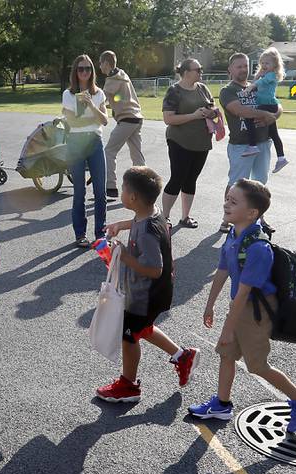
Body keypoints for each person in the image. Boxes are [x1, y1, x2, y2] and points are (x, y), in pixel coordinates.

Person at [189, 179, 296, 432]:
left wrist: (228, 328)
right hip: (239, 306)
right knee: (226, 353)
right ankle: (222, 405)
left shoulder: (258, 248)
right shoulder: (234, 233)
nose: (226, 203)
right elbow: (223, 269)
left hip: (256, 311)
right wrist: (210, 304)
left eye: (233, 201)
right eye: (227, 198)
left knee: (257, 365)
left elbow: (246, 293)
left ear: (252, 213)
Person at [96, 166, 200, 402]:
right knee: (144, 328)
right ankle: (183, 356)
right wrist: (122, 225)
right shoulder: (153, 213)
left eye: (123, 189)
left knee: (129, 336)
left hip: (145, 295)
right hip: (153, 292)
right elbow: (139, 222)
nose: (121, 193)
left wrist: (123, 255)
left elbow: (155, 268)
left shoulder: (145, 232)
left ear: (132, 197)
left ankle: (128, 386)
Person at [219, 53, 281, 234]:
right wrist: (264, 115)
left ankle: (259, 218)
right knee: (236, 183)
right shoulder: (227, 90)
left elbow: (277, 104)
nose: (243, 70)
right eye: (238, 66)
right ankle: (227, 219)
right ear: (230, 69)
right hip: (241, 144)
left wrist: (274, 116)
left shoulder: (258, 85)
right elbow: (239, 110)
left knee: (260, 183)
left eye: (245, 66)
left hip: (262, 142)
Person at [160, 58, 217, 229]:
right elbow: (168, 118)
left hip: (201, 142)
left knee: (191, 179)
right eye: (197, 69)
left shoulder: (203, 88)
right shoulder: (174, 91)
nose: (201, 72)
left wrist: (211, 112)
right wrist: (193, 115)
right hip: (179, 141)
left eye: (201, 69)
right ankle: (164, 217)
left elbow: (213, 109)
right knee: (177, 178)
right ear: (185, 72)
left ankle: (185, 217)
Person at [62, 54, 108, 247]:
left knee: (100, 191)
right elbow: (72, 121)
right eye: (81, 69)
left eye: (88, 69)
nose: (84, 72)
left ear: (92, 72)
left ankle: (100, 233)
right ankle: (80, 234)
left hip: (95, 141)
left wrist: (90, 104)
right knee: (79, 191)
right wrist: (93, 118)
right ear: (75, 71)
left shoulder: (98, 94)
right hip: (75, 143)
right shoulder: (68, 94)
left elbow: (105, 120)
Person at [99, 50, 146, 199]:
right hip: (136, 117)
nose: (100, 67)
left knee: (109, 151)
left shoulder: (111, 80)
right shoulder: (123, 75)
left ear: (106, 63)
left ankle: (110, 187)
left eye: (100, 63)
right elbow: (118, 98)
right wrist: (111, 104)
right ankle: (144, 187)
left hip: (126, 119)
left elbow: (102, 100)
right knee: (137, 155)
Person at [241, 47, 288, 173]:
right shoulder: (264, 75)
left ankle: (252, 145)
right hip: (269, 105)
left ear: (275, 65)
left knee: (248, 116)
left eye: (267, 63)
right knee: (273, 133)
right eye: (262, 63)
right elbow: (257, 82)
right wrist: (257, 76)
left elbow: (259, 84)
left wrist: (250, 87)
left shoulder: (272, 75)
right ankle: (281, 158)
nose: (264, 65)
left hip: (268, 105)